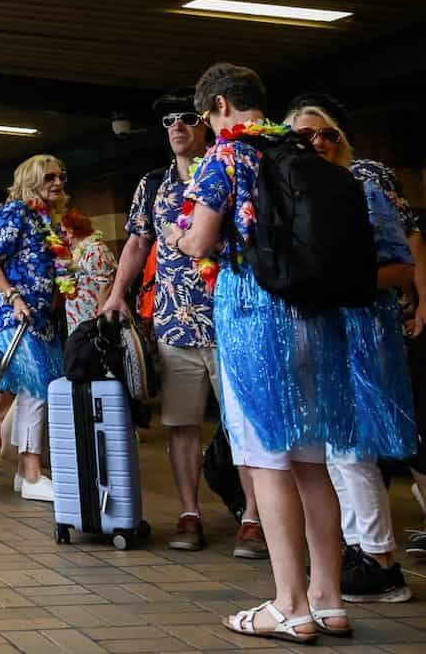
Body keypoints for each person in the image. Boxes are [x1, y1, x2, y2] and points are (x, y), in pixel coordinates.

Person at [175, 63, 353, 643]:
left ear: (222, 105)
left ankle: (289, 604)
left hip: (254, 311)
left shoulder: (224, 159)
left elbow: (200, 239)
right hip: (309, 310)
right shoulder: (296, 148)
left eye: (204, 116)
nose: (204, 127)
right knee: (309, 462)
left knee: (265, 459)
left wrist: (181, 238)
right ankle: (329, 599)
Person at [100, 94, 264, 557]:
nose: (177, 127)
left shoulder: (229, 170)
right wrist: (115, 294)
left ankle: (254, 518)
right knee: (181, 424)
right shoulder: (154, 184)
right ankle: (189, 512)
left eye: (188, 119)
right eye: (169, 121)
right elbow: (135, 244)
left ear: (207, 124)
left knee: (243, 426)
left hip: (234, 321)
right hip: (175, 326)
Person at [285, 95, 417, 603]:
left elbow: (402, 267)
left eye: (327, 134)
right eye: (303, 136)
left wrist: (340, 283)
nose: (316, 142)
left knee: (352, 447)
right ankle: (358, 550)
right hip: (311, 334)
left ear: (342, 142)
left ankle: (380, 559)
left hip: (360, 329)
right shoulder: (288, 195)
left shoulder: (365, 192)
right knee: (328, 452)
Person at [0, 155, 70, 503]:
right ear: (32, 180)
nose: (58, 183)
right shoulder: (15, 213)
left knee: (41, 390)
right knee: (35, 390)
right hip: (15, 320)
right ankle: (33, 473)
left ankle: (22, 473)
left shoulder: (47, 220)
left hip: (43, 321)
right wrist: (13, 296)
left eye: (61, 177)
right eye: (50, 177)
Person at [59, 210, 113, 333]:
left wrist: (100, 315)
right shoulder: (83, 250)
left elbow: (106, 283)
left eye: (64, 232)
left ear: (71, 231)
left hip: (92, 317)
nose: (64, 236)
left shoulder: (94, 249)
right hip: (82, 317)